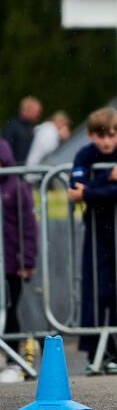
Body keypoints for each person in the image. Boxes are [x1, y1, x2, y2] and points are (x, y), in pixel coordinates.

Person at [67, 107, 117, 375]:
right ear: (89, 135)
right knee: (96, 291)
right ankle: (92, 351)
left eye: (111, 135)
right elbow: (76, 190)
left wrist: (92, 190)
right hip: (96, 232)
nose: (106, 141)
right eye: (100, 135)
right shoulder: (84, 155)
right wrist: (108, 178)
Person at [0, 139, 37, 383]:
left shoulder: (15, 186)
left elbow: (29, 227)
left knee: (10, 309)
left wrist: (28, 260)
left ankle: (14, 360)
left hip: (11, 264)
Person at [2, 96, 42, 165]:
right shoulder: (12, 127)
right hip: (14, 169)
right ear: (26, 110)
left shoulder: (29, 127)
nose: (38, 115)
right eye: (36, 112)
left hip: (24, 169)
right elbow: (5, 152)